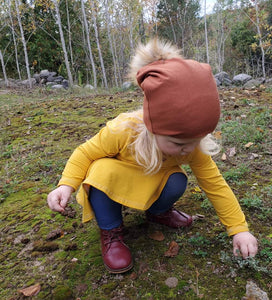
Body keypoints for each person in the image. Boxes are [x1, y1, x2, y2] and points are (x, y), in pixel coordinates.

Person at [47, 38, 258, 274]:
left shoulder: (191, 144)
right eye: (178, 143)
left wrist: (239, 228)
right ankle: (111, 230)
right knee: (98, 172)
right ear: (153, 126)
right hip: (115, 182)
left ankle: (158, 212)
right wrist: (66, 185)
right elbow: (84, 153)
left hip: (150, 181)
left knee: (177, 179)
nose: (187, 149)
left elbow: (215, 184)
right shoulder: (123, 130)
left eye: (195, 141)